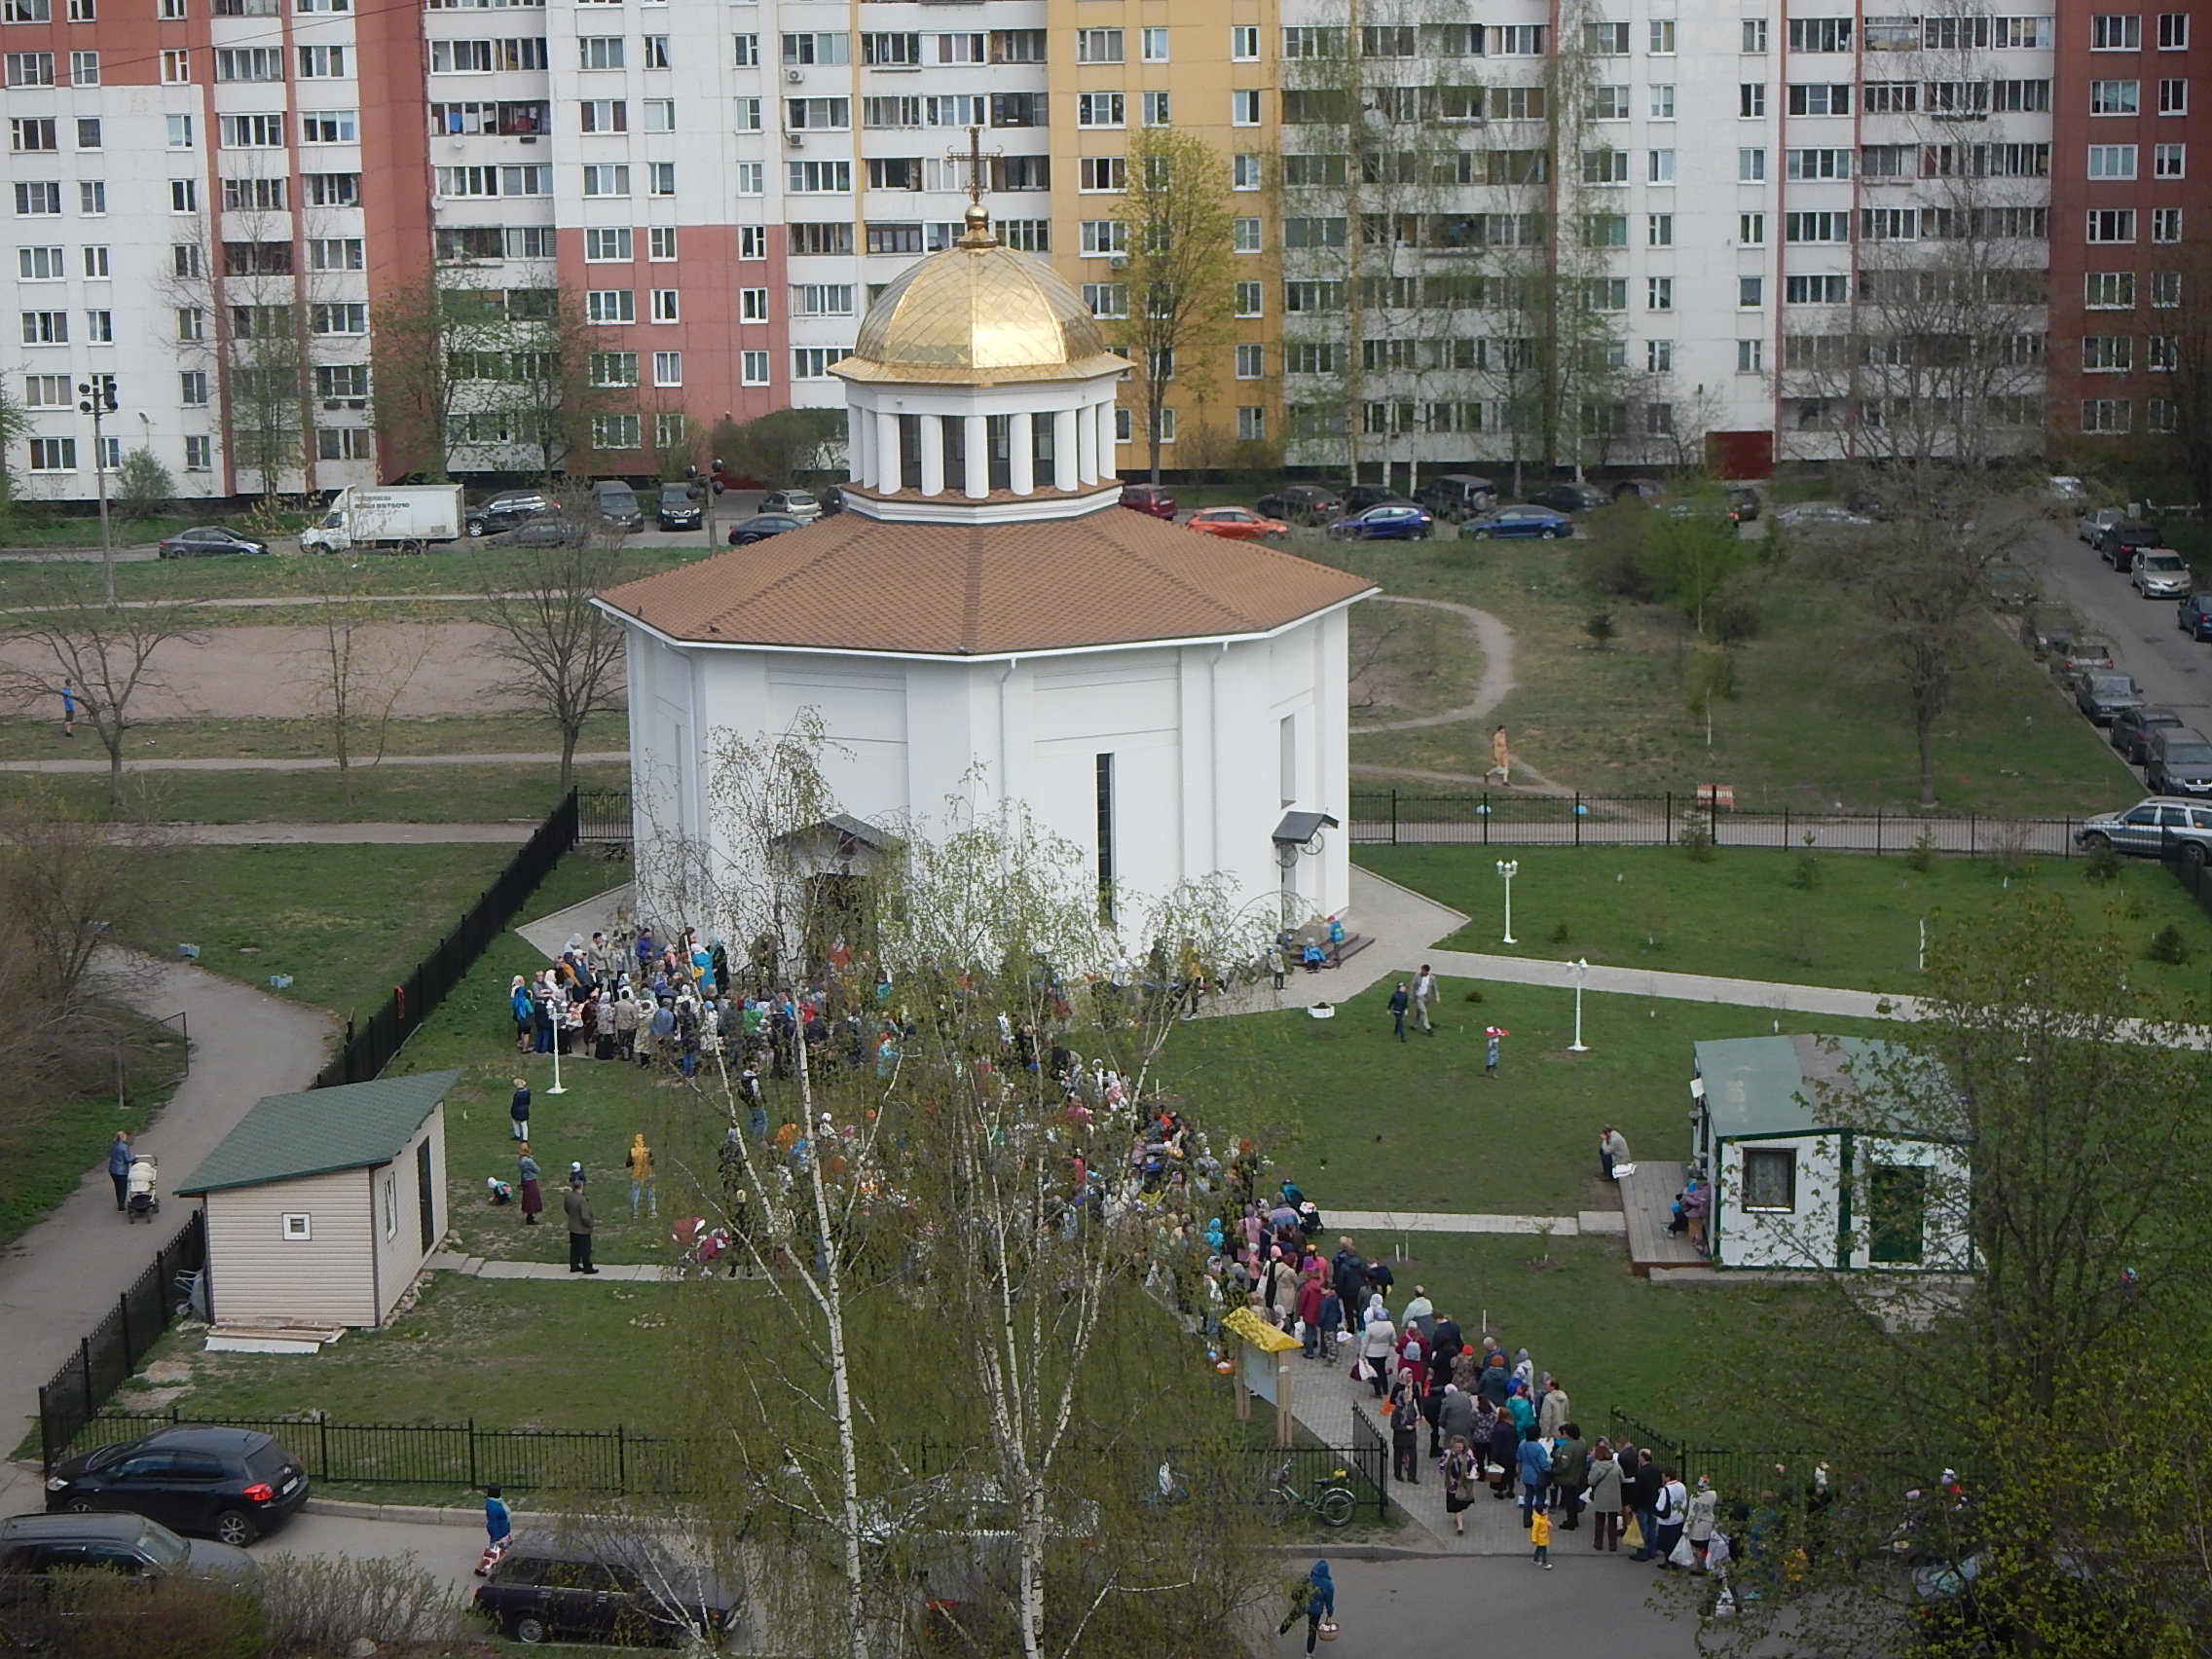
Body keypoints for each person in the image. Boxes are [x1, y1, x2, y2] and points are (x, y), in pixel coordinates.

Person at [1277, 1560, 1334, 1654]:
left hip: (1303, 1605)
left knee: (1291, 1618)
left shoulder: (1308, 1579)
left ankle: (1281, 1632)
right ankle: (1309, 1653)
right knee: (1312, 1630)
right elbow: (1329, 1601)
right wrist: (1330, 1612)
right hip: (1317, 1610)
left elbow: (1297, 1589)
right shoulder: (1329, 1585)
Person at [1585, 1438, 1625, 1551]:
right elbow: (1622, 1479)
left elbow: (1591, 1481)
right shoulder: (1616, 1466)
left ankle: (1598, 1543)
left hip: (1601, 1497)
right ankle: (1613, 1545)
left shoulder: (1597, 1466)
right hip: (1614, 1497)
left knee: (1599, 1521)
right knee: (1612, 1522)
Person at [1648, 1467, 1688, 1567]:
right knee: (1675, 1541)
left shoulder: (1666, 1489)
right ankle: (1675, 1562)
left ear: (1667, 1477)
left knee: (1666, 1543)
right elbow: (1684, 1500)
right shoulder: (1681, 1486)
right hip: (1678, 1517)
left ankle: (1668, 1562)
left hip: (1667, 1520)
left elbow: (1660, 1505)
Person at [1442, 1434, 1480, 1534]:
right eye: (1456, 1447)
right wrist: (1445, 1465)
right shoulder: (1448, 1453)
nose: (1458, 1449)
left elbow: (1474, 1463)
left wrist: (1473, 1471)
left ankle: (1459, 1522)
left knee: (1458, 1504)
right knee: (1456, 1505)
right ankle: (1460, 1525)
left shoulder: (1468, 1453)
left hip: (1464, 1482)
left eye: (1460, 1447)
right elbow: (1441, 1466)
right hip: (1452, 1483)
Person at [1516, 1425, 1552, 1529]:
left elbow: (1518, 1458)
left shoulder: (1522, 1444)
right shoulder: (1538, 1447)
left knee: (1528, 1497)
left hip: (1526, 1475)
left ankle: (1527, 1521)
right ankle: (1539, 1519)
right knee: (1540, 1498)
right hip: (1537, 1476)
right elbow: (1543, 1463)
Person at [1388, 1375, 1421, 1483]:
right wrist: (1405, 1427)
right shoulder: (1397, 1411)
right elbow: (1394, 1425)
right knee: (1398, 1457)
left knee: (1413, 1457)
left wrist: (1416, 1422)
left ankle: (1412, 1476)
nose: (1409, 1399)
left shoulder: (1411, 1407)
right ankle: (1398, 1474)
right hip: (1400, 1437)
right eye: (1406, 1397)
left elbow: (1415, 1416)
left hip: (1411, 1437)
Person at [564, 1174, 598, 1273]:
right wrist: (590, 1224)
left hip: (572, 1227)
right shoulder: (581, 1200)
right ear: (581, 1186)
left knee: (574, 1248)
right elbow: (585, 1216)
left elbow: (566, 1208)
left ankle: (574, 1265)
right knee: (585, 1249)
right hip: (582, 1229)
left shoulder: (569, 1196)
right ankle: (587, 1267)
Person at [477, 1484, 513, 1576]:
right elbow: (493, 1523)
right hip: (500, 1533)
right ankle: (482, 1570)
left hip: (503, 1531)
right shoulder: (493, 1507)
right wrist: (497, 1537)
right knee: (494, 1552)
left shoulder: (495, 1502)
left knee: (499, 1549)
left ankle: (482, 1568)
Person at [1686, 1474, 1720, 1567]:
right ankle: (1706, 1563)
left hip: (1698, 1525)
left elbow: (1691, 1514)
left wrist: (1686, 1528)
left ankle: (1700, 1566)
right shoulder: (1713, 1495)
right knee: (1705, 1545)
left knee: (1697, 1547)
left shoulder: (1694, 1497)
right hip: (1708, 1523)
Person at [627, 1133, 656, 1219]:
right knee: (650, 1192)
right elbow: (653, 1162)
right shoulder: (648, 1150)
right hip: (648, 1174)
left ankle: (634, 1211)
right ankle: (652, 1211)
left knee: (635, 1193)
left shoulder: (632, 1151)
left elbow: (628, 1163)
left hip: (636, 1174)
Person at [516, 1143, 543, 1226]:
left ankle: (530, 1216)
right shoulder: (528, 1161)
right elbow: (537, 1170)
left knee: (528, 1199)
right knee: (532, 1199)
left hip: (525, 1180)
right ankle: (530, 1218)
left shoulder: (520, 1160)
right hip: (531, 1180)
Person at [107, 1131, 133, 1213]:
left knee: (117, 1187)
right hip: (121, 1171)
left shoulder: (113, 1146)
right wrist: (135, 1158)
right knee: (123, 1188)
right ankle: (121, 1206)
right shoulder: (124, 1147)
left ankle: (119, 1202)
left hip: (112, 1170)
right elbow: (127, 1160)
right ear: (122, 1137)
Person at [1412, 965, 1439, 1034]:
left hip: (1426, 998)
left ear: (1427, 971)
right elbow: (1413, 986)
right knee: (1423, 1012)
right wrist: (1412, 997)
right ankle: (1428, 1028)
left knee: (1419, 1011)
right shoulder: (1417, 976)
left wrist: (1437, 997)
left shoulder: (1432, 978)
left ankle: (1413, 1025)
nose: (1421, 972)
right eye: (1421, 970)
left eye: (1423, 971)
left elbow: (1434, 988)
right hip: (1418, 997)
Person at [1530, 1501, 1552, 1569]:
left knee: (1539, 1549)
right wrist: (1534, 1539)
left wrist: (1548, 1524)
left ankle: (1535, 1559)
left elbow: (1545, 1523)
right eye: (1545, 1510)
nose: (1546, 1511)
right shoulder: (1538, 1521)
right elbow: (1534, 1530)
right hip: (1541, 1538)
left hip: (1544, 1536)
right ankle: (1545, 1563)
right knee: (1544, 1551)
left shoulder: (1544, 1517)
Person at [509, 1078, 531, 1142]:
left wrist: (512, 1111)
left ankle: (517, 1135)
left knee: (515, 1121)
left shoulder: (517, 1094)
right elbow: (528, 1102)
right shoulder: (527, 1092)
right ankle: (525, 1138)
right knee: (524, 1124)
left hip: (517, 1110)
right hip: (525, 1109)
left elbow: (515, 1104)